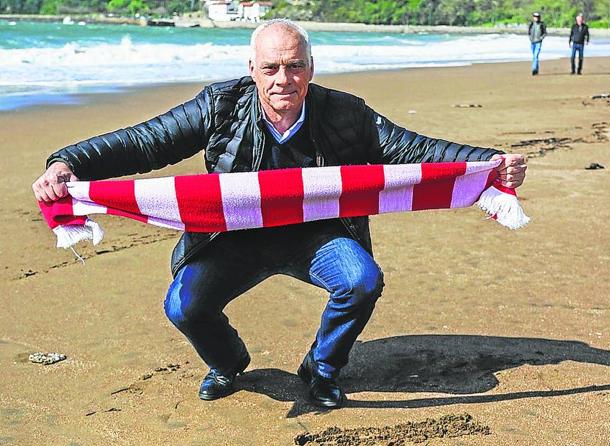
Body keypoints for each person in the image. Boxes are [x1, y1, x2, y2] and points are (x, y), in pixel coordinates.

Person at [32, 19, 527, 409]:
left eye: (293, 67)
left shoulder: (347, 113)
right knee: (184, 308)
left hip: (315, 235)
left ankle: (323, 370)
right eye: (270, 69)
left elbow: (412, 150)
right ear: (252, 69)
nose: (282, 80)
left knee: (361, 280)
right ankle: (229, 363)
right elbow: (146, 142)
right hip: (233, 238)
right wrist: (68, 161)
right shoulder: (220, 105)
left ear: (310, 67)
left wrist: (490, 165)